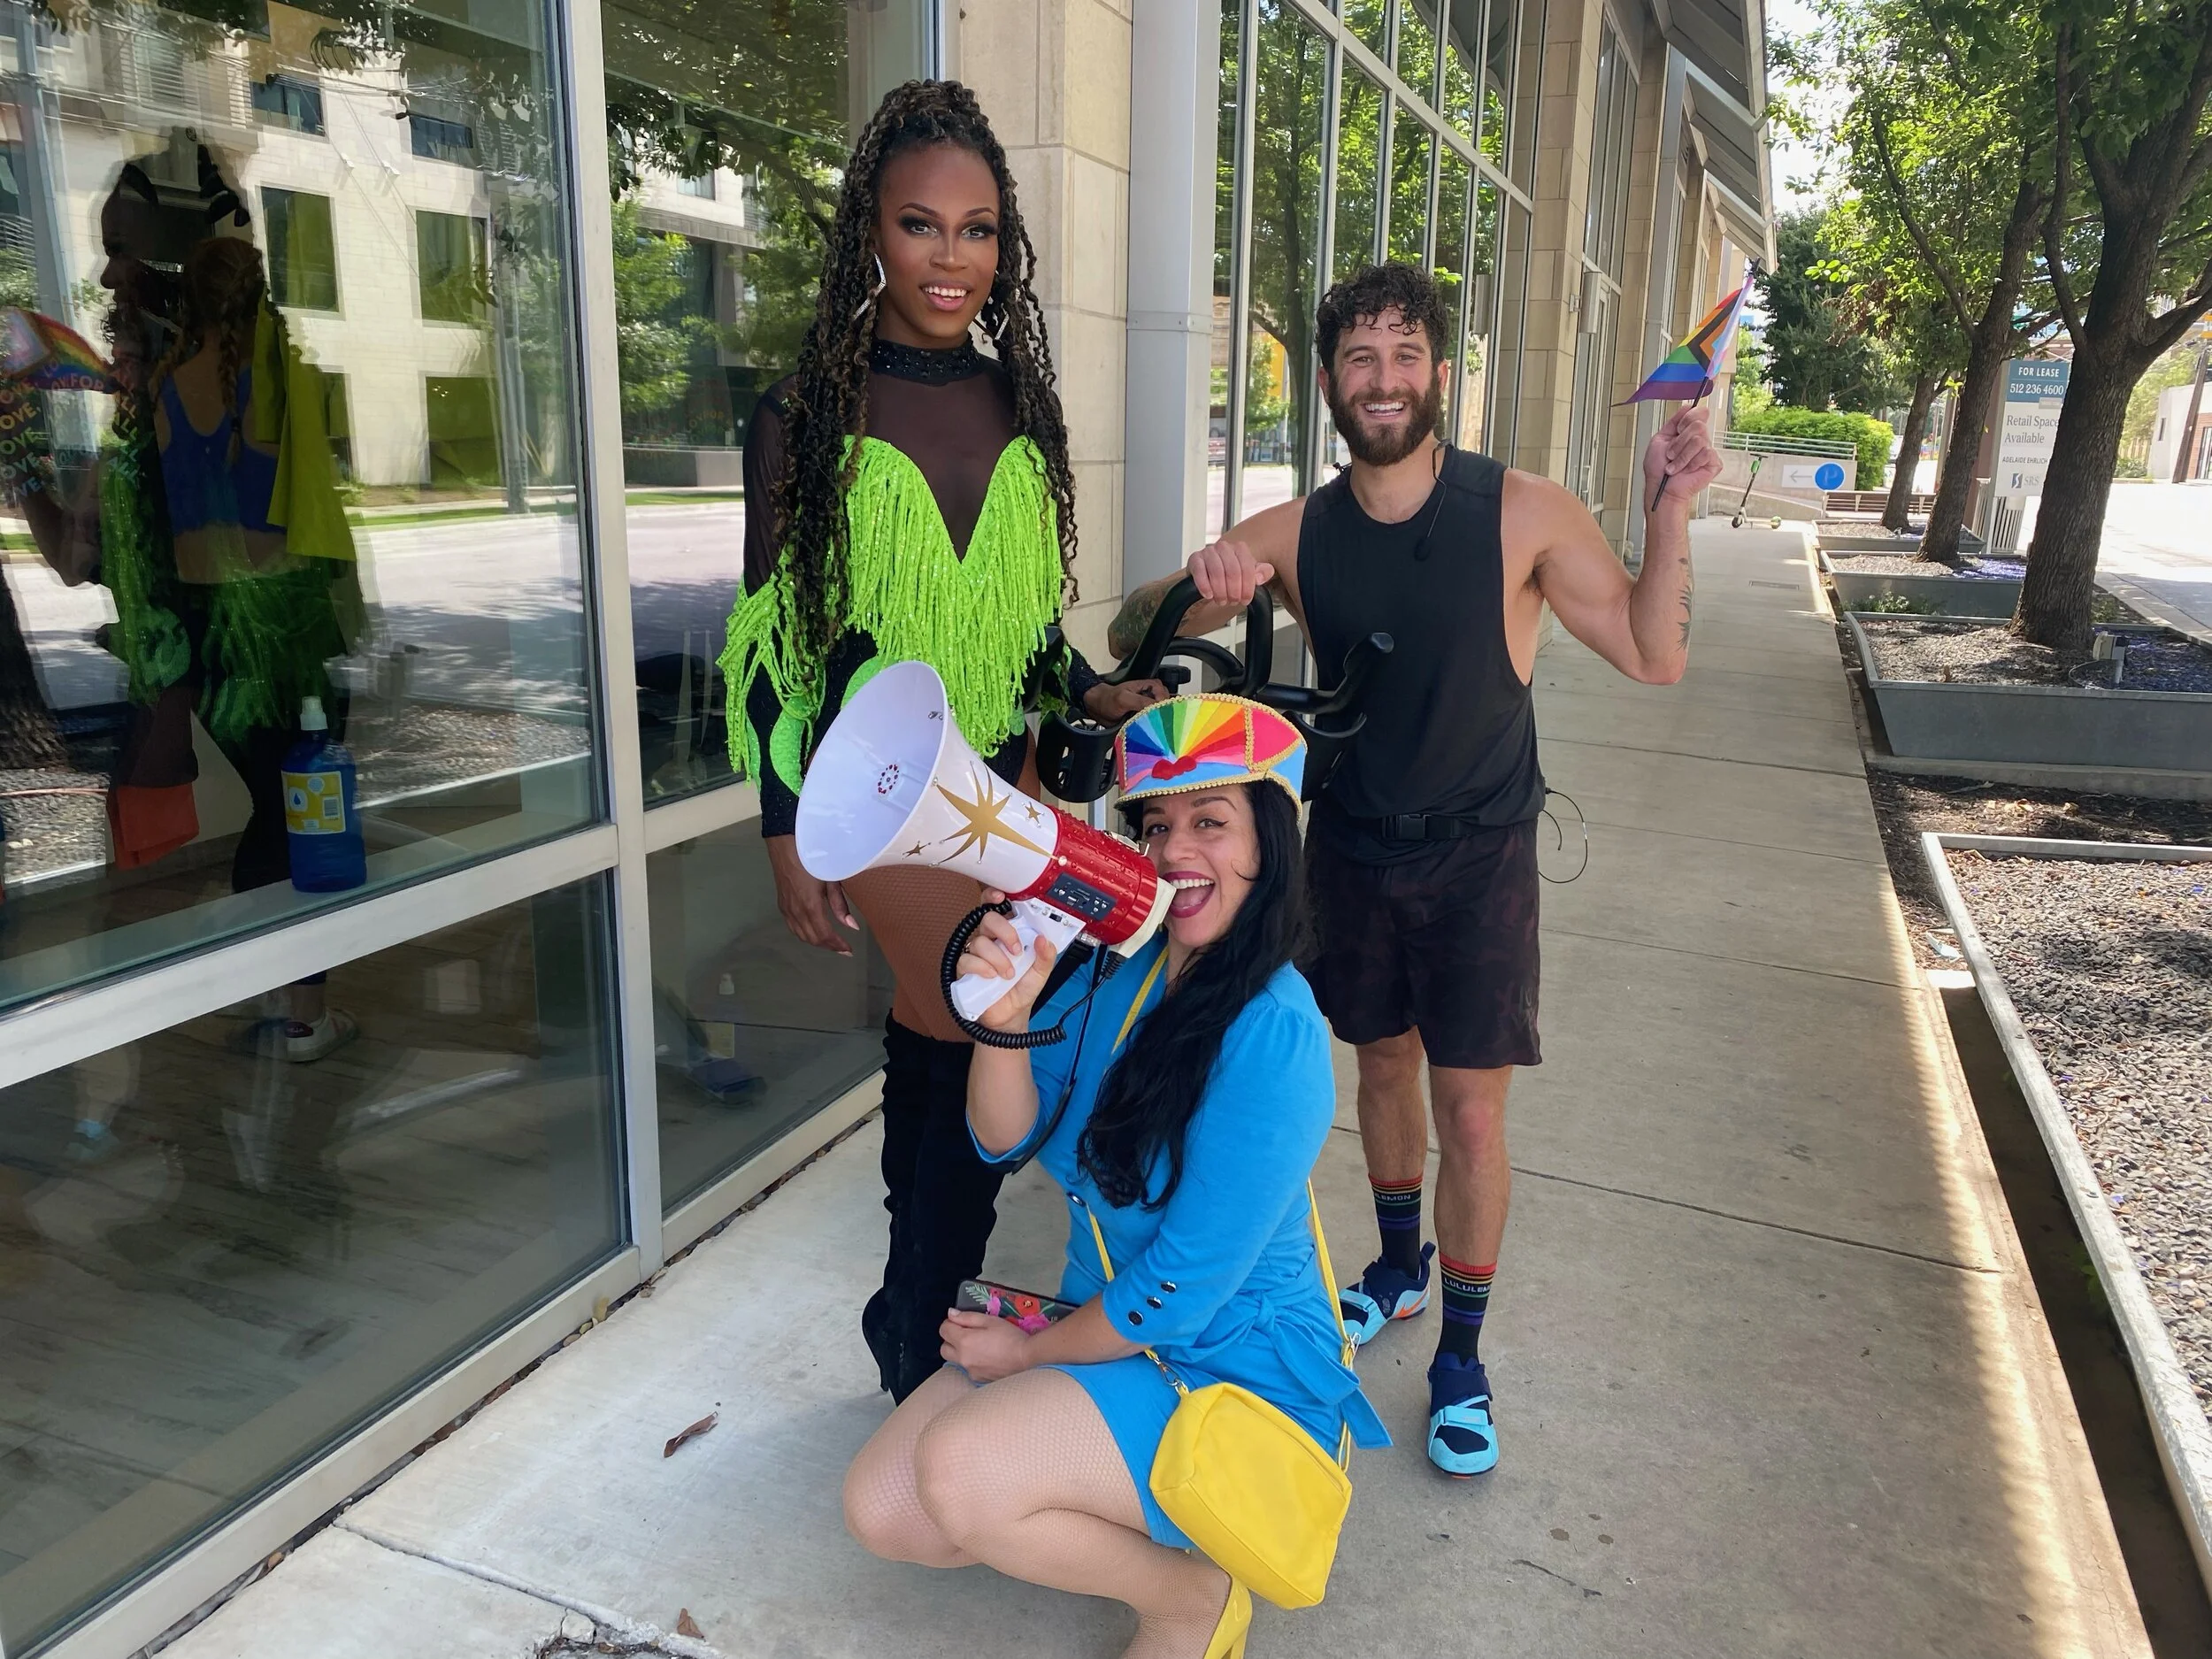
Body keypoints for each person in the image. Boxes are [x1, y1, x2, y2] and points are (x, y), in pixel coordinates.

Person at [1105, 262, 1723, 1479]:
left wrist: (1669, 509)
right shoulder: (1299, 529)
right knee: (1378, 1066)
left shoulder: (1524, 511)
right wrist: (1205, 575)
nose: (1383, 380)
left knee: (1472, 1107)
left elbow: (1655, 654)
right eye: (1358, 359)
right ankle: (1395, 1267)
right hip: (1350, 850)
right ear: (1328, 383)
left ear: (1442, 373)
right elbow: (1140, 629)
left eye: (1404, 356)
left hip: (1479, 856)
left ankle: (1464, 1354)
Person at [719, 81, 1165, 1405]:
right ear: (871, 231)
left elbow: (1025, 632)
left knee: (953, 1040)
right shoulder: (800, 413)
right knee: (971, 1015)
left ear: (1003, 246)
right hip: (880, 787)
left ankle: (910, 1302)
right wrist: (783, 822)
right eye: (921, 225)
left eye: (976, 231)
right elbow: (770, 643)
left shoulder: (1018, 401)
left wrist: (1094, 695)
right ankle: (918, 1332)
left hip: (1008, 773)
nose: (949, 258)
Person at [843, 692, 1386, 1659]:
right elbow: (1001, 1140)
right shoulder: (1115, 975)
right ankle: (1133, 1511)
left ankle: (1189, 1598)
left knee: (965, 1478)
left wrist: (1026, 1358)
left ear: (1269, 846)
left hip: (1230, 1365)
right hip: (1108, 1327)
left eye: (1211, 823)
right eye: (1156, 824)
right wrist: (1002, 1022)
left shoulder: (1278, 1031)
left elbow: (1180, 1289)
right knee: (885, 1511)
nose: (1177, 850)